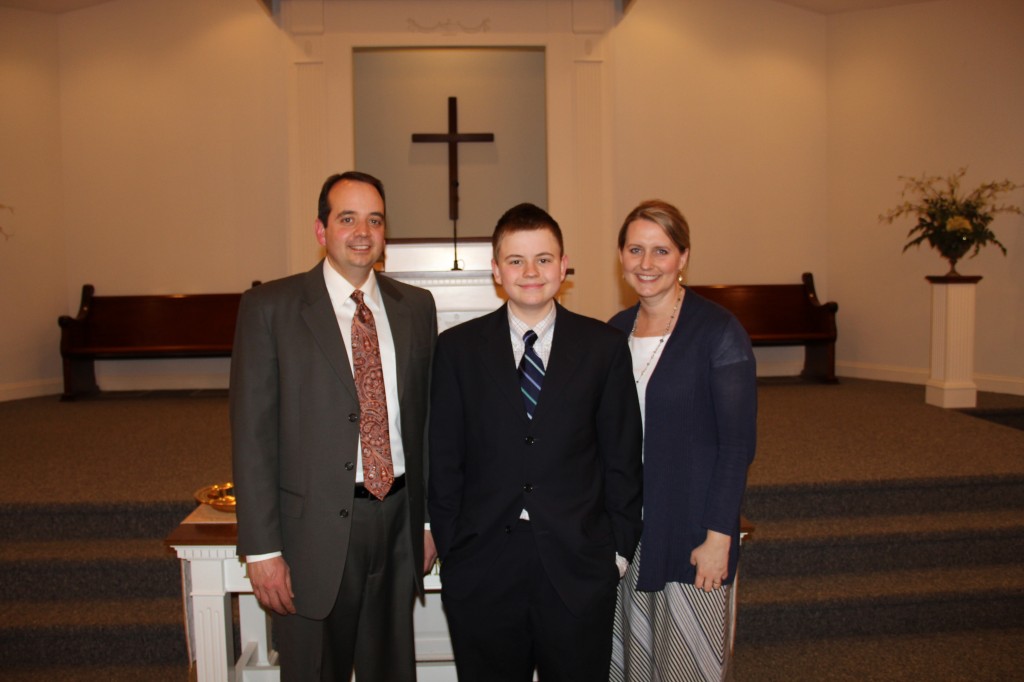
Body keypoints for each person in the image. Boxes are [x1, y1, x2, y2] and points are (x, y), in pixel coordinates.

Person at [230, 171, 438, 682]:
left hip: (397, 527)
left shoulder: (416, 307)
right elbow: (251, 437)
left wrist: (429, 521)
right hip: (310, 537)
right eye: (347, 218)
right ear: (321, 230)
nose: (362, 231)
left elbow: (429, 422)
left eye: (374, 219)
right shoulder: (270, 309)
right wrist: (262, 550)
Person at [428, 203, 644, 682]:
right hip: (483, 565)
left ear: (564, 266)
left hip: (578, 564)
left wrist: (618, 553)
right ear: (496, 270)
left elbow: (622, 458)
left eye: (544, 259)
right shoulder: (458, 350)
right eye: (516, 260)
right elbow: (444, 461)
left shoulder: (603, 348)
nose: (531, 272)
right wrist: (454, 551)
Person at [608, 200, 757, 682]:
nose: (646, 264)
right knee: (632, 663)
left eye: (661, 251)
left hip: (692, 531)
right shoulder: (612, 333)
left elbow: (737, 445)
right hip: (629, 531)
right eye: (635, 250)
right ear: (621, 256)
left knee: (686, 667)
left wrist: (719, 536)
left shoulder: (717, 332)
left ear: (684, 257)